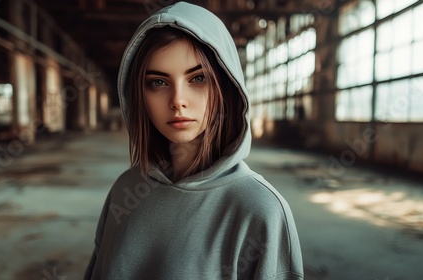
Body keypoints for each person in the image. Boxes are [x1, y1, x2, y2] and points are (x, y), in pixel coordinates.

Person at [84, 2, 303, 279]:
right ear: (138, 95)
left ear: (227, 86)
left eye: (198, 78)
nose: (178, 101)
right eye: (158, 82)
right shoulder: (125, 190)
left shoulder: (261, 210)